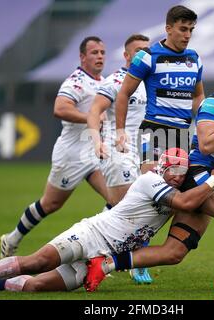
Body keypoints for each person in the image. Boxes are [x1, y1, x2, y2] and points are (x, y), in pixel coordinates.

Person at [85, 56, 214, 294]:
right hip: (199, 172)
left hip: (212, 178)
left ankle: (105, 264)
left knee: (174, 252)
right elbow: (205, 144)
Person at [0, 148, 214, 295]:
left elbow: (190, 205)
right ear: (163, 168)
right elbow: (184, 204)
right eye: (175, 171)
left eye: (183, 173)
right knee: (38, 261)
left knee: (36, 286)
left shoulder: (175, 188)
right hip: (91, 235)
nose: (179, 177)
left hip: (103, 257)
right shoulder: (151, 180)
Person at [0, 36, 110, 259]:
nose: (99, 56)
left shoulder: (103, 81)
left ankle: (100, 254)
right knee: (50, 204)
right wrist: (90, 117)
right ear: (82, 57)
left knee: (117, 200)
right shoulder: (75, 82)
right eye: (94, 52)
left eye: (102, 52)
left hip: (95, 153)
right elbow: (60, 108)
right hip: (72, 155)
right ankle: (11, 239)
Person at [87, 34, 153, 283]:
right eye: (137, 51)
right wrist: (97, 141)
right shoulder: (116, 80)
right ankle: (136, 261)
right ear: (126, 56)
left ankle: (91, 249)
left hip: (145, 152)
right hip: (120, 150)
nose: (143, 54)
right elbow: (94, 110)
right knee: (133, 208)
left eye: (146, 50)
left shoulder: (151, 81)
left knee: (123, 209)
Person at [115, 5, 205, 174]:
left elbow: (198, 96)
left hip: (183, 132)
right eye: (183, 29)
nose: (187, 35)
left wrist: (203, 125)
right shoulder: (147, 56)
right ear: (168, 29)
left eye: (191, 30)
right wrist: (120, 131)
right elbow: (124, 93)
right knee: (153, 185)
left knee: (174, 189)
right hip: (155, 129)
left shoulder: (194, 59)